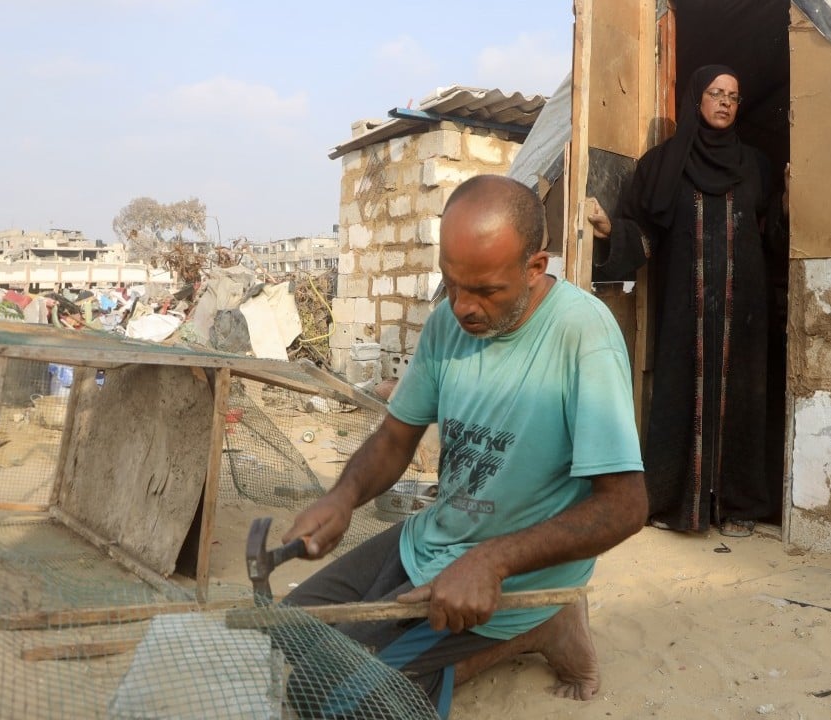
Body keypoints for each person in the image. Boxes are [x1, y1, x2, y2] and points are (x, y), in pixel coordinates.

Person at [281, 174, 647, 717]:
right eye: (452, 285)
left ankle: (532, 626)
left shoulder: (582, 334)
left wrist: (492, 562)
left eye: (486, 291)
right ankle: (501, 637)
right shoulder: (447, 326)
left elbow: (626, 505)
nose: (463, 308)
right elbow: (395, 437)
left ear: (534, 267)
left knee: (334, 700)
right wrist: (341, 498)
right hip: (435, 538)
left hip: (518, 570)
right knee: (286, 632)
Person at [587, 64, 787, 538]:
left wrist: (785, 205)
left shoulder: (755, 166)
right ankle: (675, 501)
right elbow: (647, 233)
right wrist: (612, 232)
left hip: (745, 312)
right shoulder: (662, 165)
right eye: (716, 93)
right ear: (696, 98)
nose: (724, 103)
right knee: (681, 397)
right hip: (685, 310)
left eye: (733, 97)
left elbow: (773, 239)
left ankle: (739, 505)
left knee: (743, 400)